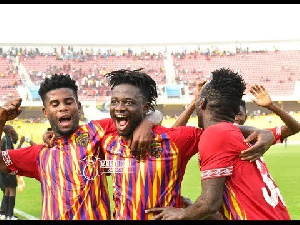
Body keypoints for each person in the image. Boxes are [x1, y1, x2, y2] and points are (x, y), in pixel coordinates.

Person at [100, 69, 276, 220]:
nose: (119, 108)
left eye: (129, 102)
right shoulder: (106, 140)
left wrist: (263, 132)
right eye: (114, 102)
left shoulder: (175, 140)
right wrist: (152, 118)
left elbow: (220, 131)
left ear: (146, 108)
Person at [0, 73, 162, 220]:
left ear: (78, 106)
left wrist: (147, 123)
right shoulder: (40, 153)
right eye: (55, 104)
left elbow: (153, 113)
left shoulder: (97, 131)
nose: (63, 107)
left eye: (68, 102)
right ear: (45, 112)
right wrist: (1, 120)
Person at [147, 68, 297, 220]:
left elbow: (209, 204)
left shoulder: (216, 134)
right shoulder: (235, 133)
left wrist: (182, 213)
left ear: (202, 103)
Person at [0, 125, 19, 220]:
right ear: (8, 130)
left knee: (7, 190)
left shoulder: (5, 139)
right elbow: (8, 154)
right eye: (11, 128)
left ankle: (7, 214)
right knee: (12, 190)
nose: (12, 129)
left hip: (4, 170)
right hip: (8, 169)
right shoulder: (6, 139)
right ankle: (10, 215)